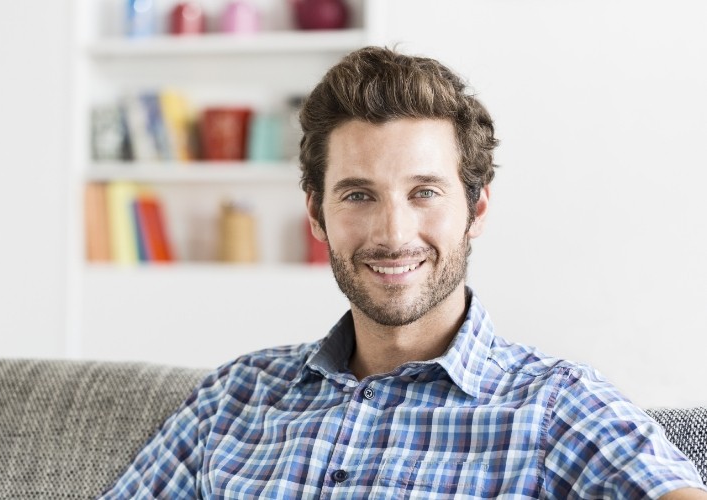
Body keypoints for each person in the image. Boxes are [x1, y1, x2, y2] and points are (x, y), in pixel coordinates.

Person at [101, 47, 707, 499]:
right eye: (359, 195)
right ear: (316, 213)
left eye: (424, 192)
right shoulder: (234, 398)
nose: (393, 234)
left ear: (477, 208)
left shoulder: (554, 408)